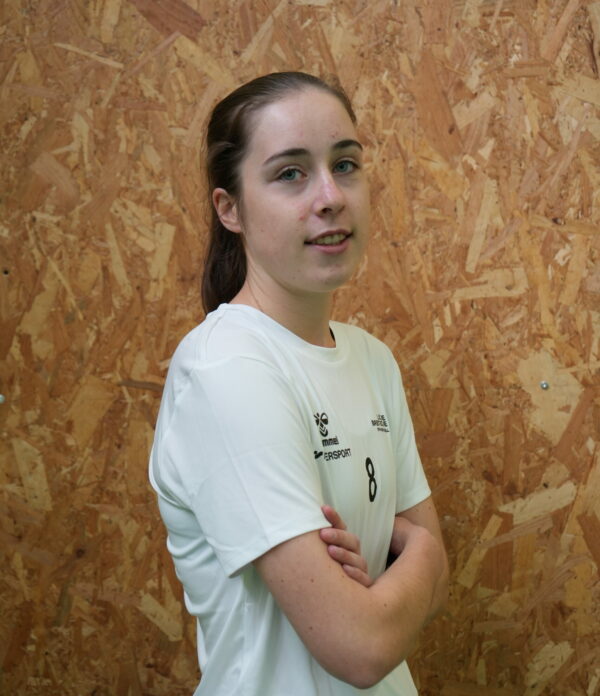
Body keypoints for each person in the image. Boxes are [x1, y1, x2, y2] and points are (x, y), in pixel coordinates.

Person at [149, 71, 449, 695]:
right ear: (229, 209)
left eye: (345, 164)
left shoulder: (373, 360)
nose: (330, 195)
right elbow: (360, 646)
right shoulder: (226, 368)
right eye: (290, 173)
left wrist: (407, 577)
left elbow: (433, 594)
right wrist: (421, 553)